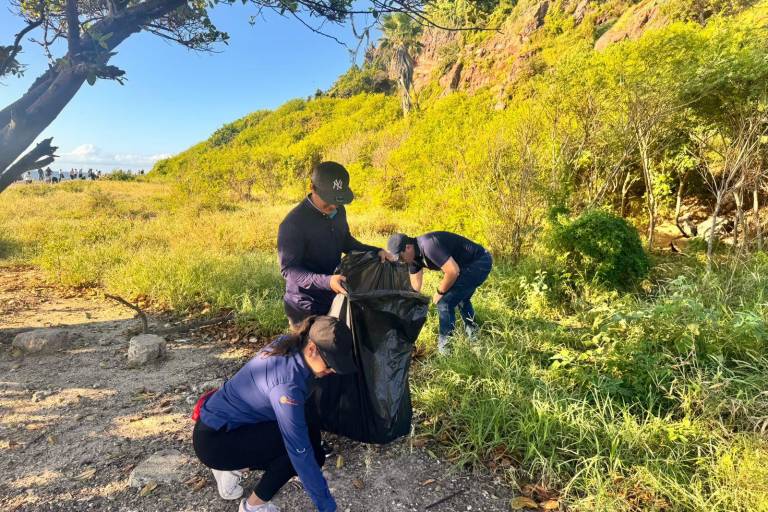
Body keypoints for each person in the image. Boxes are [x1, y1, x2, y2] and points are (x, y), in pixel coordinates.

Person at [193, 315, 355, 512]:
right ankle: (252, 506)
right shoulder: (287, 386)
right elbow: (299, 451)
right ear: (311, 348)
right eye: (330, 364)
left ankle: (236, 466)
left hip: (227, 424)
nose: (332, 371)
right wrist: (327, 506)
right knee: (299, 455)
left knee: (312, 442)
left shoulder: (291, 344)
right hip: (216, 441)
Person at [277, 161, 394, 327]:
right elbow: (289, 270)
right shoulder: (293, 224)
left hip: (333, 294)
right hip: (304, 304)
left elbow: (345, 241)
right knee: (310, 351)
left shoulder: (338, 211)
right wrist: (327, 281)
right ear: (312, 187)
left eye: (337, 201)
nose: (333, 207)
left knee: (336, 346)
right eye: (327, 202)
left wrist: (376, 251)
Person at [387, 231, 493, 355]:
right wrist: (407, 307)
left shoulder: (428, 245)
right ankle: (474, 335)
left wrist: (440, 292)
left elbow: (453, 271)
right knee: (460, 298)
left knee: (445, 302)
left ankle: (446, 350)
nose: (401, 261)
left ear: (408, 247)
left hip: (480, 262)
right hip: (467, 266)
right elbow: (415, 287)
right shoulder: (413, 258)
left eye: (400, 257)